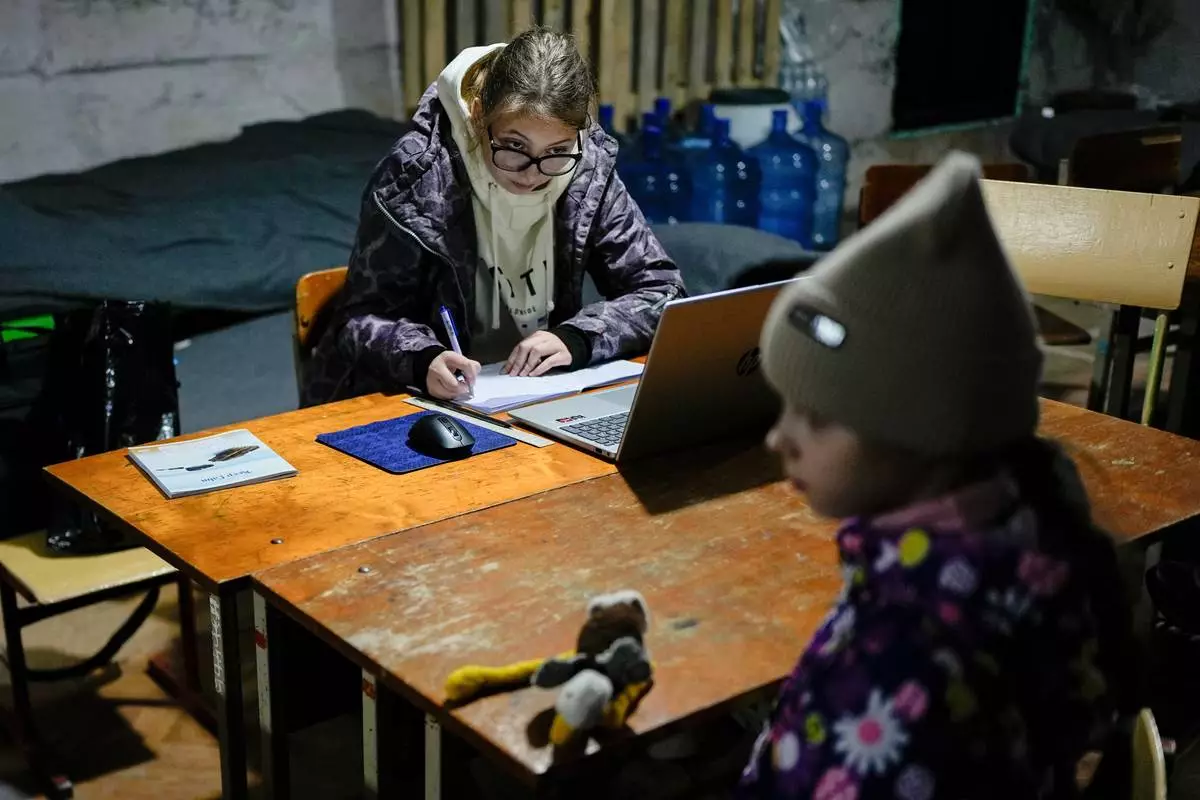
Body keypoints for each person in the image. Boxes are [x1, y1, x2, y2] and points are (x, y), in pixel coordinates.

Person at [740, 153, 1140, 798]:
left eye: (819, 417)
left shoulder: (911, 660)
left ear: (927, 432)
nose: (778, 439)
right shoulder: (1022, 538)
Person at [301, 27, 684, 406]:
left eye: (556, 151)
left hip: (536, 395)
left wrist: (578, 338)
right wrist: (421, 359)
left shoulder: (585, 166)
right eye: (514, 145)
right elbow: (358, 320)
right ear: (478, 114)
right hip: (415, 400)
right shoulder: (415, 174)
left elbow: (662, 292)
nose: (533, 173)